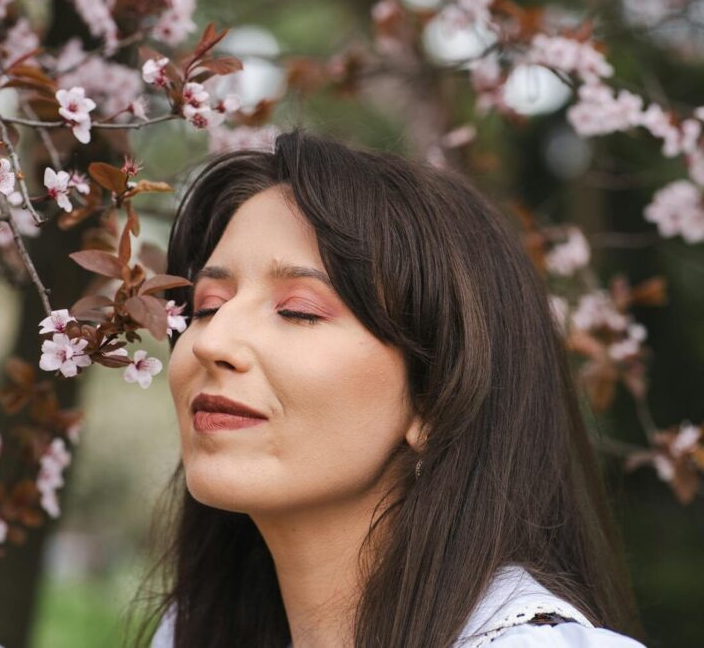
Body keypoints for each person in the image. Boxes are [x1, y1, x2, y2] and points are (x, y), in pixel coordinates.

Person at [132, 128, 649, 648]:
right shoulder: (188, 633)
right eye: (207, 307)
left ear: (435, 396)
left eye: (298, 311)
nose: (211, 341)